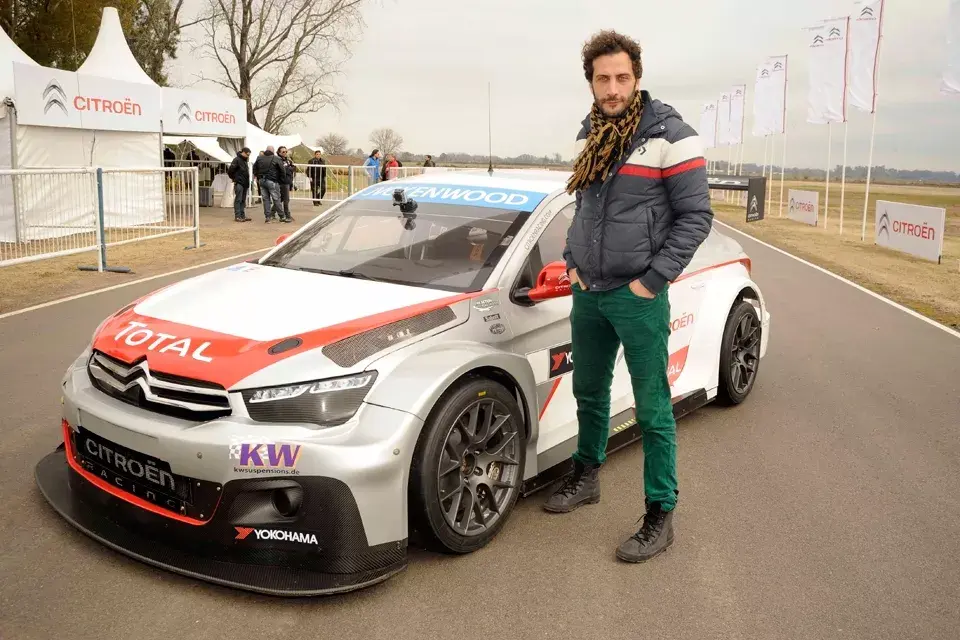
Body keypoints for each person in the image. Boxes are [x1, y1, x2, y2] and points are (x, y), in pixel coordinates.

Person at [544, 30, 713, 564]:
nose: (612, 88)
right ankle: (587, 474)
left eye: (621, 77)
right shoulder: (587, 135)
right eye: (603, 79)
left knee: (652, 409)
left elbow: (696, 217)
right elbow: (584, 209)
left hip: (637, 295)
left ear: (637, 78)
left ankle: (660, 513)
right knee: (589, 393)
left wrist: (652, 281)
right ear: (591, 83)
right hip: (589, 292)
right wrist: (572, 262)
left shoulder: (671, 135)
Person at [252, 146, 285, 223]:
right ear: (273, 151)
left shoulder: (259, 158)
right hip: (272, 181)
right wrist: (280, 180)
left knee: (266, 199)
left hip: (262, 180)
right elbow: (282, 170)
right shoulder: (277, 158)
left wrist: (258, 176)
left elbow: (254, 168)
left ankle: (268, 217)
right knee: (276, 198)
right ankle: (282, 216)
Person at [227, 147, 252, 222]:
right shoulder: (237, 160)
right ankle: (238, 216)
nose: (248, 156)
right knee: (238, 199)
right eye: (247, 154)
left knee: (242, 200)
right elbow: (230, 171)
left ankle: (242, 215)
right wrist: (235, 179)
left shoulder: (244, 160)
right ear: (243, 152)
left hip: (244, 183)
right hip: (239, 182)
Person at [277, 146, 295, 223]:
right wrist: (289, 168)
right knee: (286, 199)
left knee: (281, 198)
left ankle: (272, 213)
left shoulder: (287, 160)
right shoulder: (278, 160)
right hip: (282, 182)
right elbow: (284, 170)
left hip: (288, 181)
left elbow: (293, 168)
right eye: (283, 152)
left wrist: (289, 168)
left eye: (286, 151)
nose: (285, 153)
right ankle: (287, 215)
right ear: (279, 152)